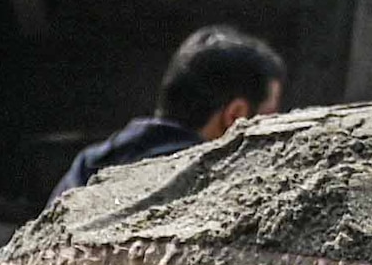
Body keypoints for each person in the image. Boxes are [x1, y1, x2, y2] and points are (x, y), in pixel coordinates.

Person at [54, 27, 288, 197]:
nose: (274, 123)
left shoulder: (87, 166)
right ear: (236, 115)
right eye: (270, 113)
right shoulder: (220, 187)